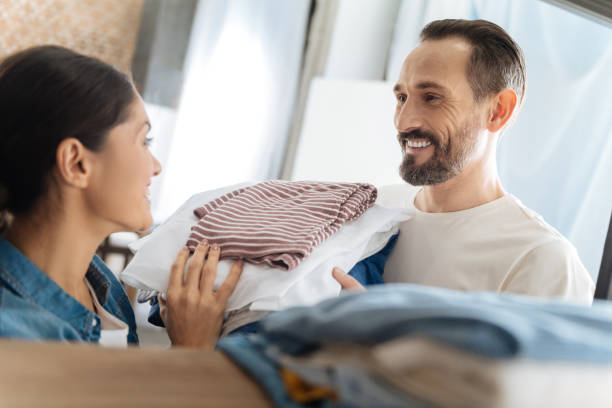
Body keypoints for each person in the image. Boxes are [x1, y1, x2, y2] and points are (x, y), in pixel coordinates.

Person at [334, 19, 594, 303]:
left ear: (498, 111)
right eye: (402, 97)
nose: (403, 121)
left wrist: (372, 326)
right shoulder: (374, 209)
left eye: (431, 97)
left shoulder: (542, 260)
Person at [0, 45, 243, 348]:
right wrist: (193, 351)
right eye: (144, 141)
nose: (156, 167)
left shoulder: (101, 285)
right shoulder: (13, 335)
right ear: (77, 163)